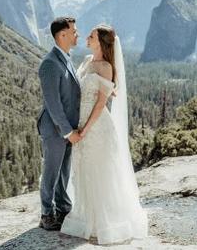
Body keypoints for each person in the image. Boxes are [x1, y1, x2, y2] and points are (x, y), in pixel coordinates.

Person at [61, 25, 148, 244]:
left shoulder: (106, 67)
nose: (87, 38)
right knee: (83, 169)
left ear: (101, 41)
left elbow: (101, 104)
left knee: (99, 171)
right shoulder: (86, 62)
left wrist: (86, 129)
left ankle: (103, 222)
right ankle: (85, 218)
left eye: (91, 36)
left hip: (97, 126)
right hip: (81, 123)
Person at [36, 16, 84, 232]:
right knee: (51, 172)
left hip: (67, 129)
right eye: (74, 31)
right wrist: (67, 132)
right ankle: (47, 214)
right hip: (55, 130)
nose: (77, 34)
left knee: (63, 171)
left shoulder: (65, 58)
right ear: (62, 35)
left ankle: (63, 207)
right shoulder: (49, 64)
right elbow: (53, 104)